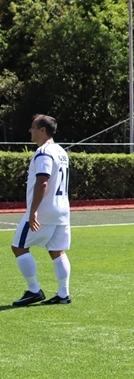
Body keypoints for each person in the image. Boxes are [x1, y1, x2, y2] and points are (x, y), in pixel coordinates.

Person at [11, 115, 72, 306]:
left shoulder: (43, 152)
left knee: (18, 247)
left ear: (42, 130)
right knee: (57, 251)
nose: (30, 130)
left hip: (45, 210)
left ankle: (34, 290)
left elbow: (42, 181)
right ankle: (63, 294)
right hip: (62, 209)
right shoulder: (61, 151)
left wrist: (33, 211)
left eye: (33, 127)